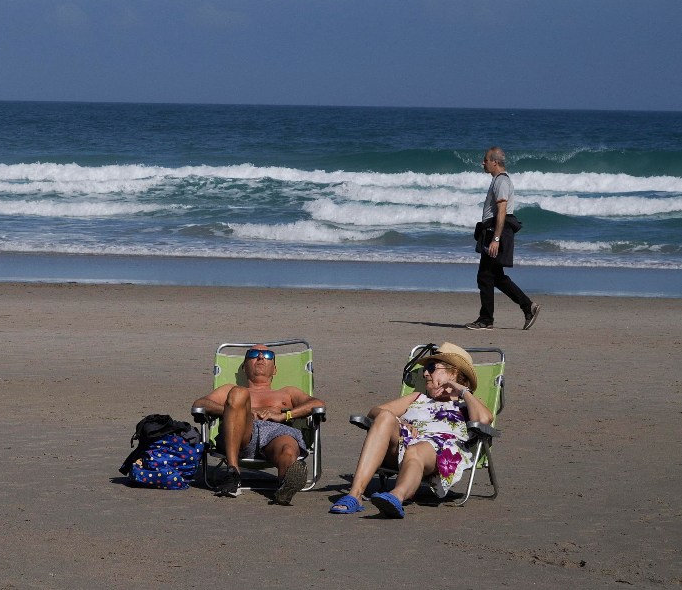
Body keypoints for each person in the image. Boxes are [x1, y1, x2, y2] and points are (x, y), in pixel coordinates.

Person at [329, 342, 493, 518]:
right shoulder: (418, 397)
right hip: (402, 444)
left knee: (418, 449)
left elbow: (484, 420)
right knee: (385, 416)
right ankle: (355, 494)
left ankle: (395, 497)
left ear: (453, 372)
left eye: (432, 368)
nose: (425, 373)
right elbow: (374, 412)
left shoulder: (467, 403)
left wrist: (461, 390)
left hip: (437, 452)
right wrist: (398, 421)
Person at [190, 344, 325, 503]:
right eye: (253, 354)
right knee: (239, 394)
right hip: (241, 432)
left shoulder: (287, 392)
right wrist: (236, 410)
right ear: (244, 367)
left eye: (267, 355)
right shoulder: (230, 389)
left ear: (274, 370)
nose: (261, 357)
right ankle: (233, 473)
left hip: (278, 431)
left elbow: (317, 404)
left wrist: (284, 415)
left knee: (288, 450)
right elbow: (200, 404)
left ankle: (285, 483)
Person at [466, 147, 541, 330]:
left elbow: (501, 211)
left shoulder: (501, 182)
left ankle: (486, 320)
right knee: (496, 277)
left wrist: (496, 239)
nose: (482, 163)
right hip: (493, 230)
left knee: (485, 276)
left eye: (485, 160)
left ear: (495, 162)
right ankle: (528, 307)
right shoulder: (498, 181)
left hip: (495, 232)